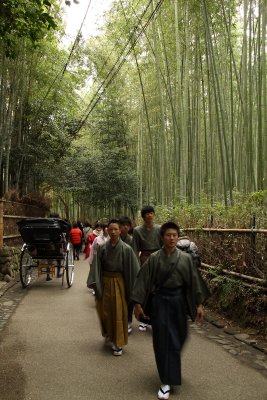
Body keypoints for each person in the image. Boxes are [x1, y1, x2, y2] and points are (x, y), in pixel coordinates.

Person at [131, 221, 209, 400]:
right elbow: (143, 280)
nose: (172, 238)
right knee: (163, 340)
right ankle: (165, 381)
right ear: (162, 238)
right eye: (168, 235)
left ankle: (170, 366)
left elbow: (194, 282)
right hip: (161, 302)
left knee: (180, 337)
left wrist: (199, 304)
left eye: (174, 235)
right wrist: (137, 304)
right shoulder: (154, 258)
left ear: (178, 237)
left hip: (179, 302)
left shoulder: (186, 259)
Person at [87, 219, 140, 356]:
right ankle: (109, 334)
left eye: (116, 229)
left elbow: (132, 270)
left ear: (121, 230)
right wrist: (95, 283)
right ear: (107, 231)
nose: (113, 232)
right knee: (104, 310)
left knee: (117, 311)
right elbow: (96, 267)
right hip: (104, 281)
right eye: (111, 229)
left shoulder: (126, 249)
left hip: (118, 282)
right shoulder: (102, 248)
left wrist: (133, 290)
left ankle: (118, 342)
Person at [132, 205, 161, 331]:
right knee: (145, 290)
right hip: (144, 259)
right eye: (147, 213)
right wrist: (137, 265)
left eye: (151, 213)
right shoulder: (137, 230)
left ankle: (157, 317)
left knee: (157, 289)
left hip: (159, 259)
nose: (150, 215)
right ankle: (144, 318)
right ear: (143, 217)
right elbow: (135, 249)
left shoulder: (160, 229)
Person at [118, 216, 134, 333]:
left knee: (130, 297)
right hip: (117, 272)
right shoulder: (115, 239)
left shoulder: (132, 240)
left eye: (128, 225)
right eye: (124, 225)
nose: (126, 227)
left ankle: (128, 321)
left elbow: (135, 257)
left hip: (129, 271)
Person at [87, 223, 109, 295]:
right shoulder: (97, 239)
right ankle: (95, 288)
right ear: (104, 230)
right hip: (97, 259)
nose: (108, 231)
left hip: (107, 260)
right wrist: (91, 260)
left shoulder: (111, 239)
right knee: (97, 274)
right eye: (106, 229)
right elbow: (92, 250)